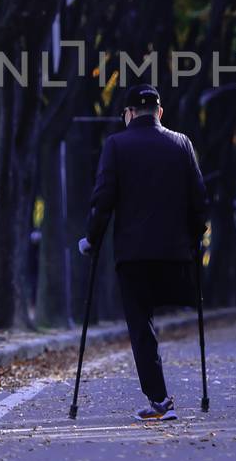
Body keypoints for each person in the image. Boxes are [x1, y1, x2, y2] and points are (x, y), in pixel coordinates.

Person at [78, 85, 207, 422]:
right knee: (174, 311)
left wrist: (91, 239)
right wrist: (195, 238)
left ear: (129, 113)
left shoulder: (116, 145)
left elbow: (103, 199)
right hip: (176, 256)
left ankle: (160, 398)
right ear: (159, 113)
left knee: (141, 325)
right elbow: (199, 201)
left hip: (133, 255)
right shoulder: (181, 144)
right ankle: (169, 398)